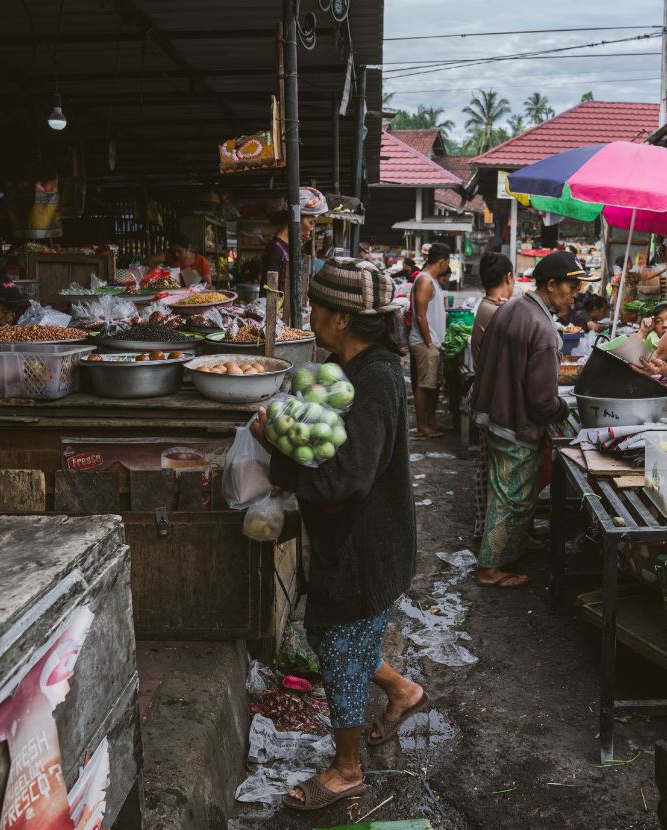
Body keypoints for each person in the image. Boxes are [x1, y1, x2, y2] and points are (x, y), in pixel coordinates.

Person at [250, 257, 426, 812]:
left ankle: (347, 770)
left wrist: (272, 441)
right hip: (352, 542)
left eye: (317, 308)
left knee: (340, 650)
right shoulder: (343, 370)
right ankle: (403, 690)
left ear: (342, 319)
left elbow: (346, 480)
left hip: (366, 547)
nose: (313, 316)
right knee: (338, 640)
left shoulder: (374, 380)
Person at [472, 251, 599, 589]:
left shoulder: (512, 306)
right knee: (511, 497)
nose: (576, 293)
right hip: (514, 421)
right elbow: (542, 402)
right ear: (552, 285)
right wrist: (565, 409)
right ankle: (491, 568)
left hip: (494, 411)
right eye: (572, 286)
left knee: (513, 492)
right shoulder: (543, 329)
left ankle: (513, 542)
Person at [470, 252, 515, 541]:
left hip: (485, 396)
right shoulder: (496, 311)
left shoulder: (489, 306)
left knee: (489, 468)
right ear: (509, 278)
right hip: (493, 401)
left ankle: (489, 529)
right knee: (494, 472)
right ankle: (490, 533)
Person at [409, 243, 451, 439]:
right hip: (425, 343)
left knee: (433, 385)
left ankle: (430, 421)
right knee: (424, 385)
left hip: (433, 343)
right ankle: (422, 426)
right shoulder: (424, 281)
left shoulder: (431, 280)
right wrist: (429, 344)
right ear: (442, 262)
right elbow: (420, 315)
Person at [260, 187, 328, 292]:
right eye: (311, 222)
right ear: (297, 219)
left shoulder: (290, 245)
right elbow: (268, 292)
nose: (312, 227)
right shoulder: (276, 250)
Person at [145, 235, 212, 286]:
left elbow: (209, 284)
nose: (176, 254)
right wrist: (155, 272)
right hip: (172, 292)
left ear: (188, 248)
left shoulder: (201, 261)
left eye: (180, 252)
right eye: (174, 251)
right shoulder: (169, 254)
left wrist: (197, 282)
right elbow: (149, 260)